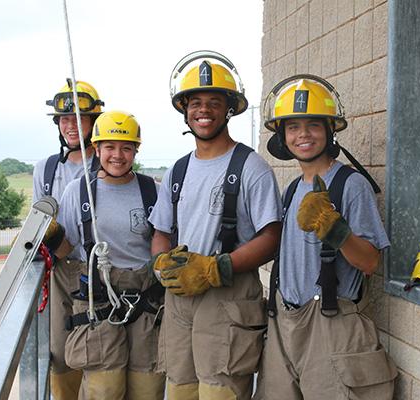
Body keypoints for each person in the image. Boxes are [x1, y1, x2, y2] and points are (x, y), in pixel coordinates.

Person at [147, 50, 282, 400]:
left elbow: (272, 236)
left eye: (213, 102)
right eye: (194, 103)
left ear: (230, 109)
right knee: (179, 390)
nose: (203, 110)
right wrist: (162, 264)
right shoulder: (176, 171)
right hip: (179, 301)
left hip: (229, 297)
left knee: (220, 393)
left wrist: (216, 267)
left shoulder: (252, 168)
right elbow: (161, 232)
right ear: (184, 110)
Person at [254, 75, 397, 399]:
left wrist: (336, 230)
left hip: (331, 323)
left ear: (330, 130)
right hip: (284, 323)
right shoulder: (291, 189)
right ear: (282, 136)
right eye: (293, 127)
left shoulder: (351, 184)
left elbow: (370, 261)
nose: (303, 134)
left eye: (313, 125)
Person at [51, 110, 165, 399]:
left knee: (147, 390)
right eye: (110, 147)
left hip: (146, 303)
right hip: (99, 304)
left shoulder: (152, 191)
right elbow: (69, 253)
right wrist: (49, 237)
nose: (118, 155)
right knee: (104, 389)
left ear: (136, 150)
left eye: (126, 148)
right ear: (97, 149)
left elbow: (166, 242)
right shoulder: (79, 193)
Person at [32, 79, 103, 398]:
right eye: (64, 119)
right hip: (59, 272)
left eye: (79, 118)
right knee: (60, 355)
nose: (70, 126)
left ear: (95, 122)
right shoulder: (45, 170)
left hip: (100, 271)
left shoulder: (109, 164)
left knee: (102, 354)